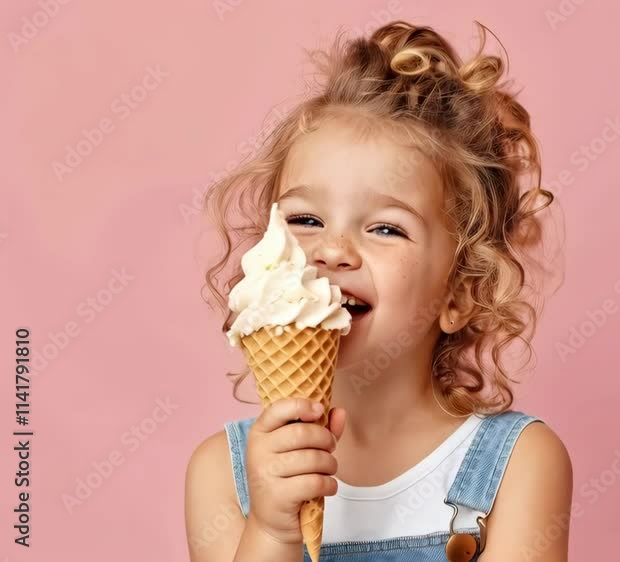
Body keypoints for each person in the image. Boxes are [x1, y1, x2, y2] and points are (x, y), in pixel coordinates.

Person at [184, 20, 572, 562]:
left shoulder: (516, 465)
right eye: (304, 218)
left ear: (459, 293)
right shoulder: (223, 474)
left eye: (385, 228)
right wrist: (272, 533)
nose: (332, 249)